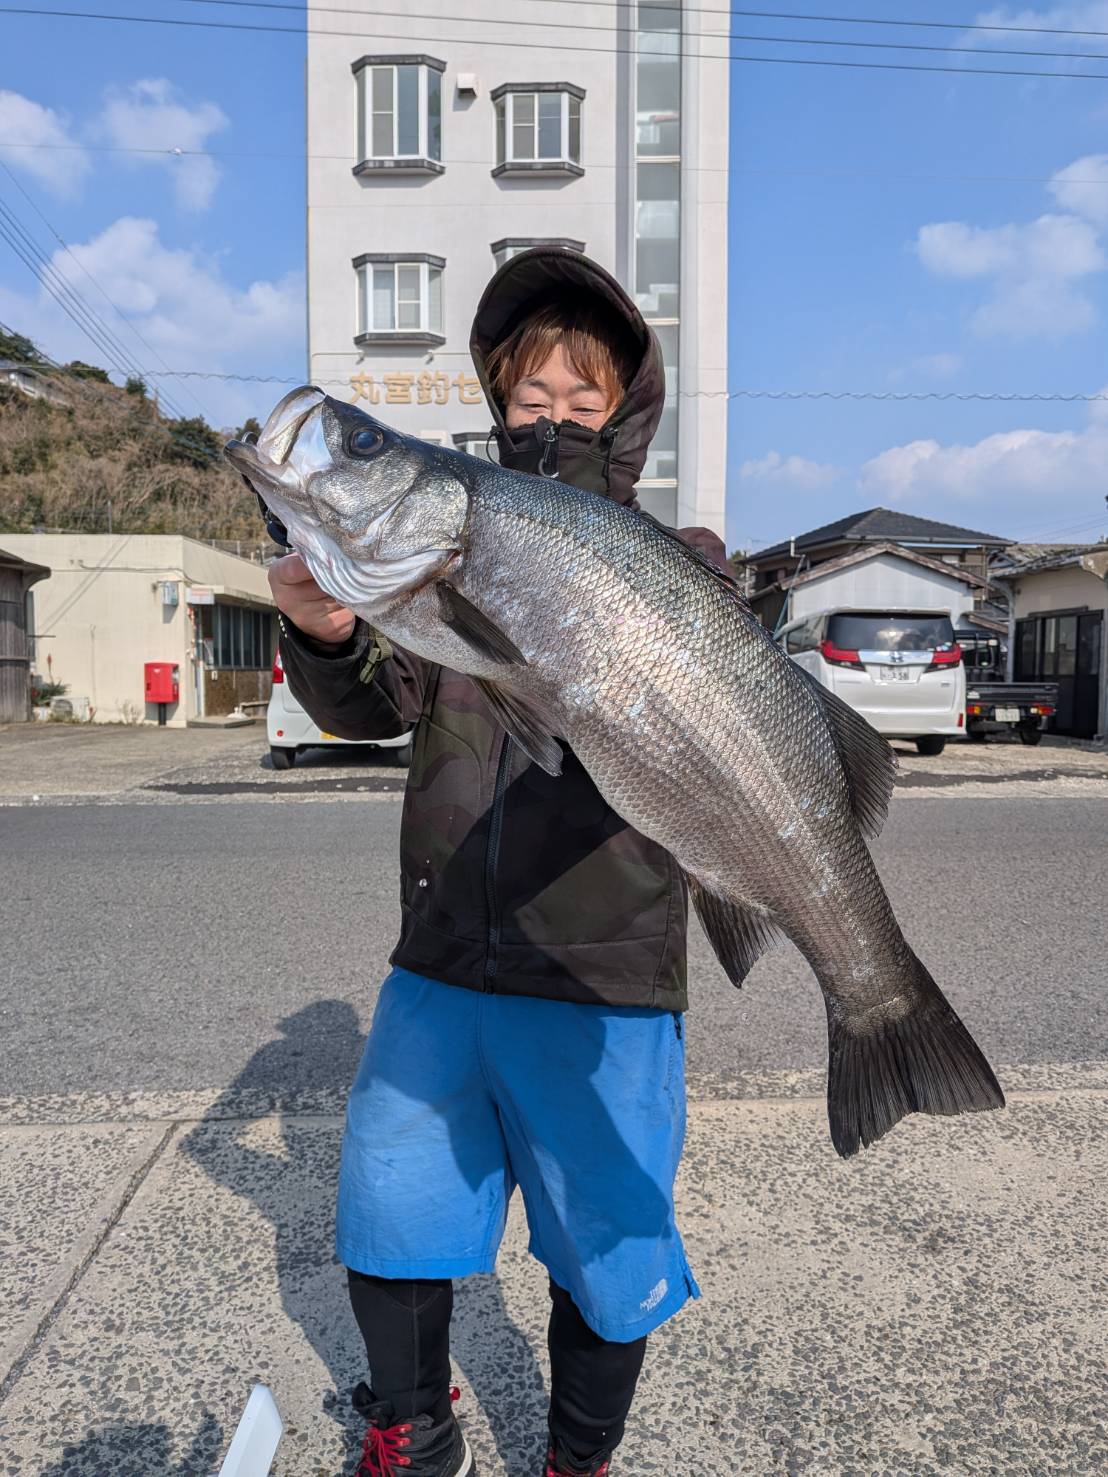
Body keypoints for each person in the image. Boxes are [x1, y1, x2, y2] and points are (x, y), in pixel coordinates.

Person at [271, 249, 728, 1477]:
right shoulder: (442, 540)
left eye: (585, 395)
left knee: (609, 1247)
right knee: (390, 1219)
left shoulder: (679, 559)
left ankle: (577, 1457)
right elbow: (376, 700)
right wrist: (321, 632)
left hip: (605, 974)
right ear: (494, 398)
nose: (557, 414)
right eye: (532, 394)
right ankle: (411, 1431)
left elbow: (718, 744)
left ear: (629, 405)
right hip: (440, 960)